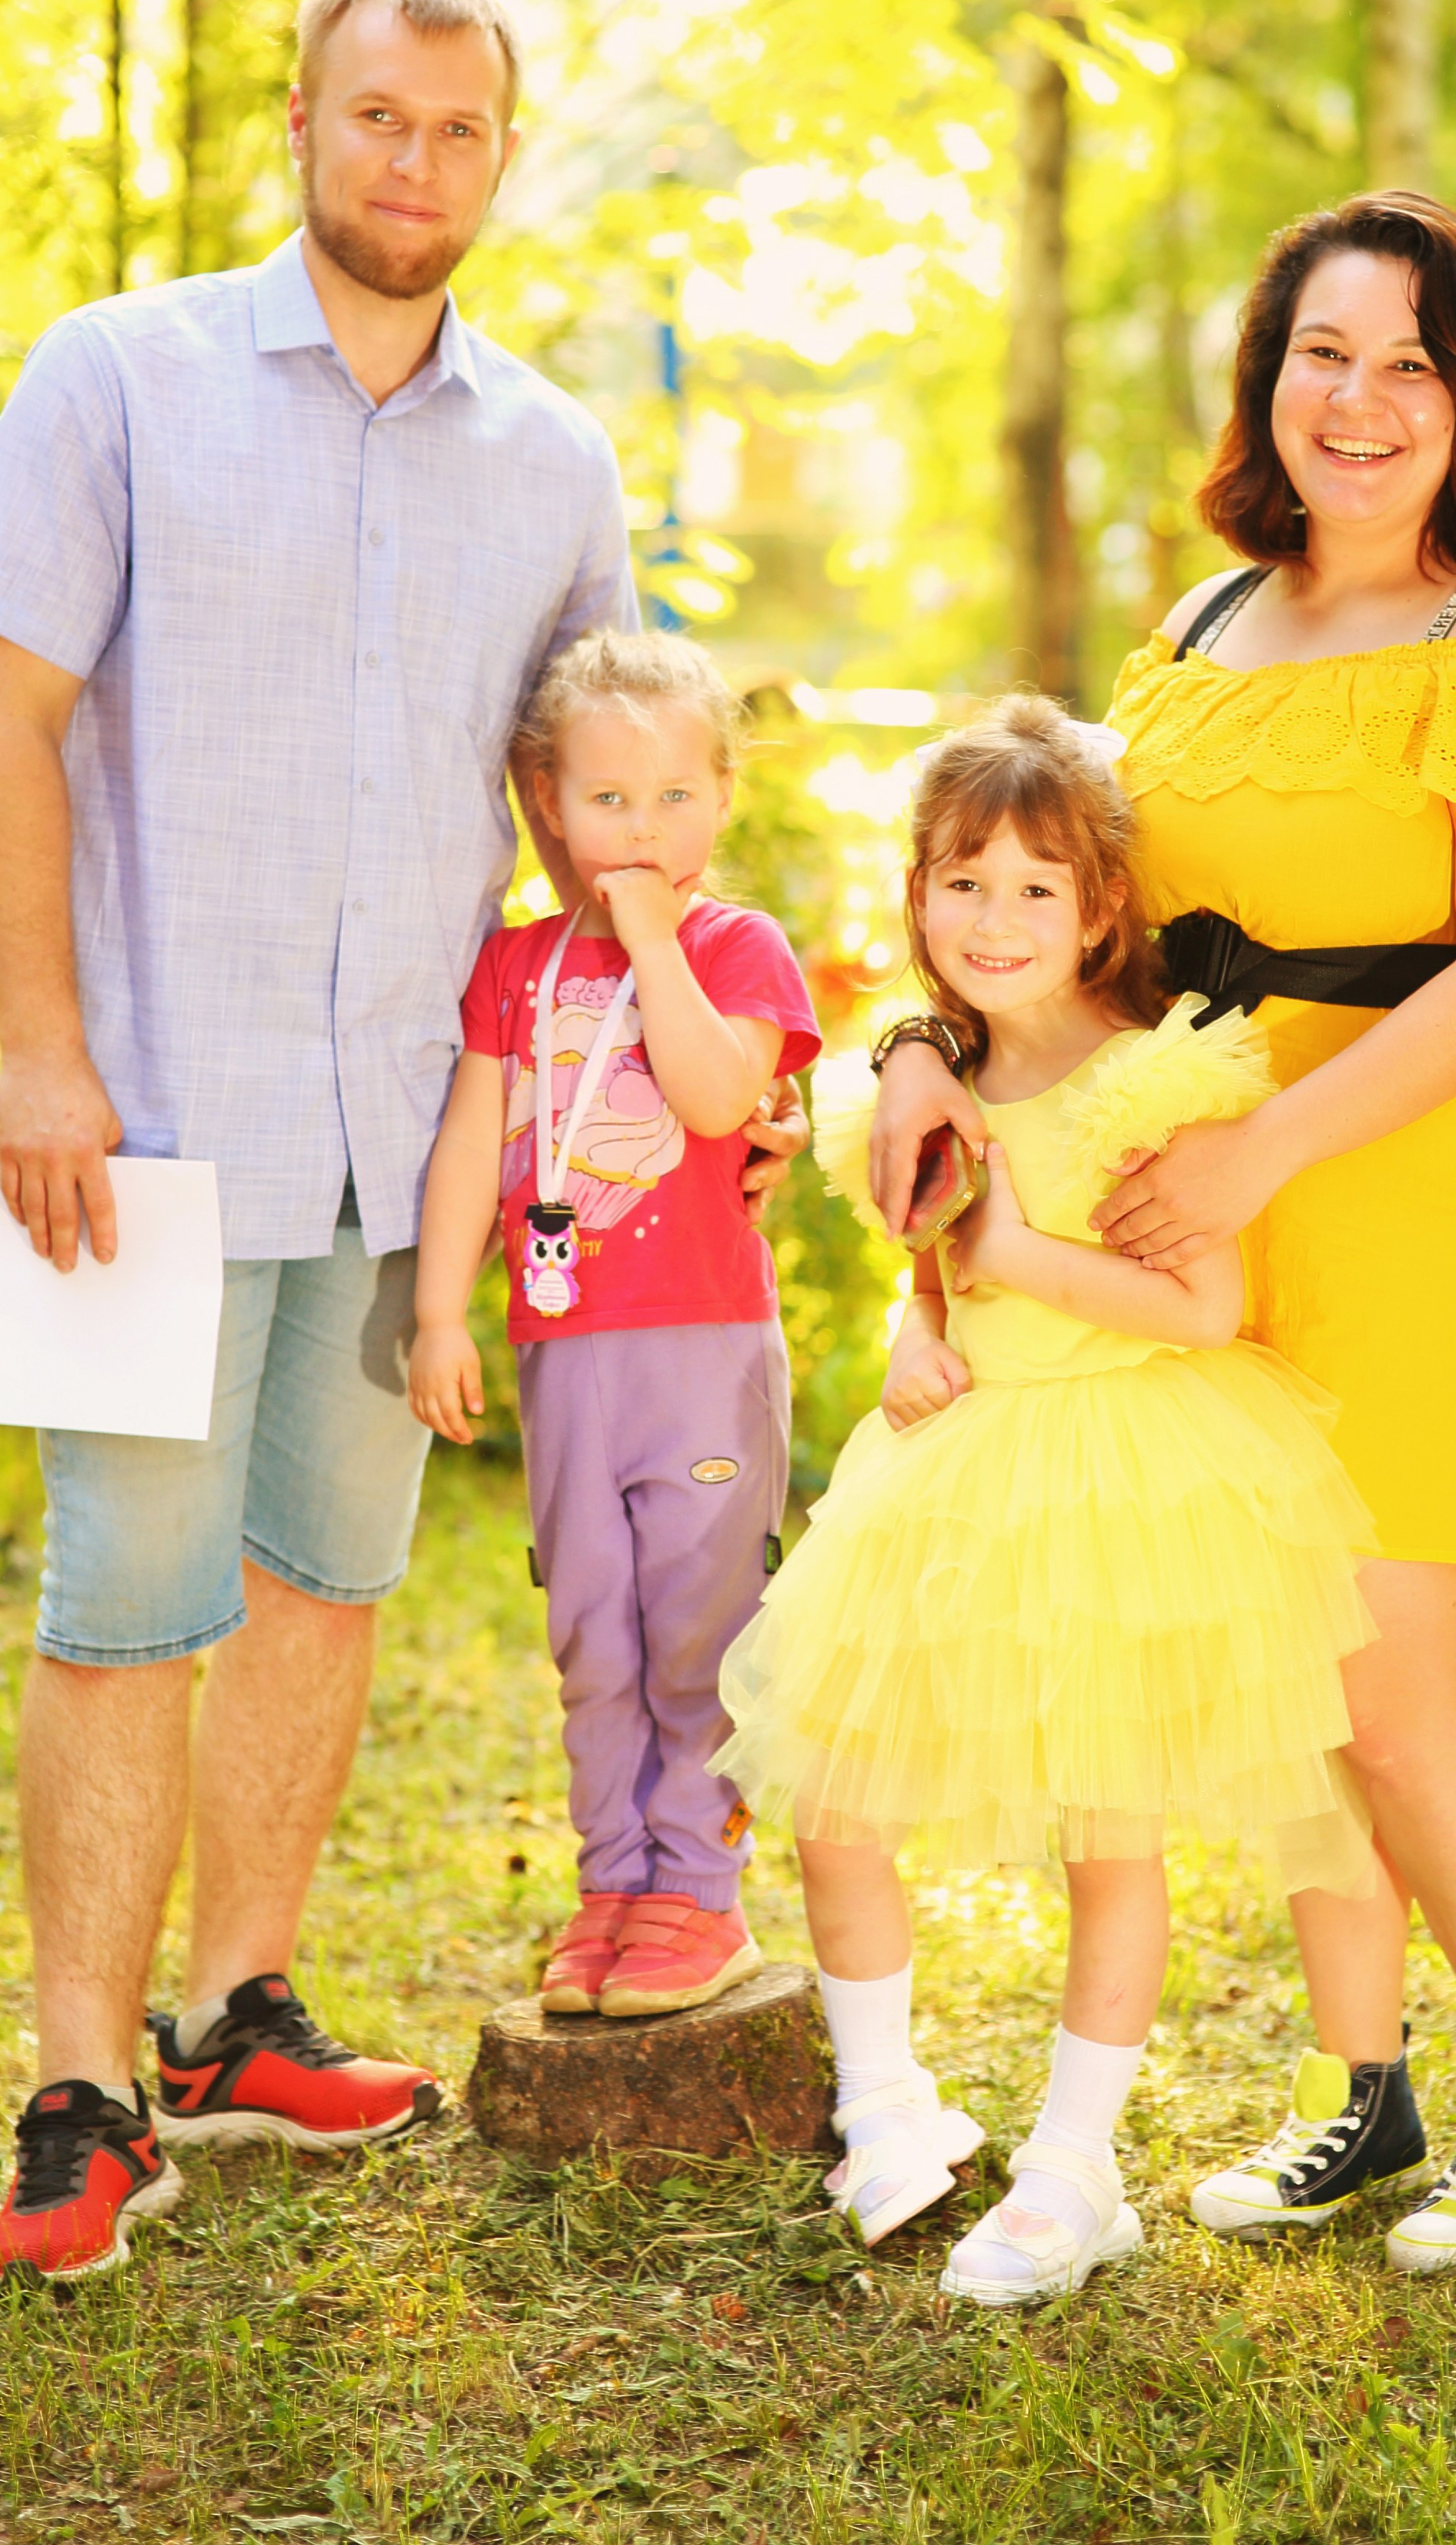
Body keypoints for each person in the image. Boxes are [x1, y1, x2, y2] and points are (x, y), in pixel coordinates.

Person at [0, 0, 803, 2288]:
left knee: (328, 1582)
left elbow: (615, 805)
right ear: (303, 126)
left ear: (503, 154)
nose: (416, 162)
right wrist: (38, 1047)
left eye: (458, 128)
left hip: (415, 1130)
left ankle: (240, 2016)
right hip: (140, 1123)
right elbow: (1, 720)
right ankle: (80, 2091)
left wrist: (703, 1070)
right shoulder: (121, 375)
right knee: (129, 1602)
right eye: (378, 118)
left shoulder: (556, 460)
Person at [869, 195, 1456, 2277]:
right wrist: (913, 1048)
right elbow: (1057, 915)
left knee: (1394, 1698)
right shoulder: (1201, 632)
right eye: (1325, 351)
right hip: (1192, 1214)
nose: (1361, 401)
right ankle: (1356, 2093)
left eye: (1411, 364)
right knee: (1294, 1694)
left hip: (1403, 1207)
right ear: (1267, 375)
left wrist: (1264, 1154)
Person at [713, 698, 1379, 2307]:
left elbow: (1202, 1308)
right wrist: (915, 1327)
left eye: (1034, 887)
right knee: (836, 1792)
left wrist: (1008, 1254)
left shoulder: (1153, 1081)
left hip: (1119, 1467)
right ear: (917, 897)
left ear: (1099, 911)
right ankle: (885, 2105)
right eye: (962, 883)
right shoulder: (923, 1080)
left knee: (1107, 1826)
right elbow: (931, 1263)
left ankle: (1076, 2166)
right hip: (954, 1466)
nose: (994, 919)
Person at [408, 629, 820, 2017]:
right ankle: (612, 1885)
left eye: (675, 797)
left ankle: (701, 1892)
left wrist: (651, 942)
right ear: (549, 799)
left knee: (700, 1620)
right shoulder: (514, 965)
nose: (643, 829)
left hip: (701, 1347)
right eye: (608, 800)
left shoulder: (736, 948)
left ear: (725, 794)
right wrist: (440, 1313)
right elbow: (472, 1145)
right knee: (593, 1628)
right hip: (562, 1350)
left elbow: (714, 1098)